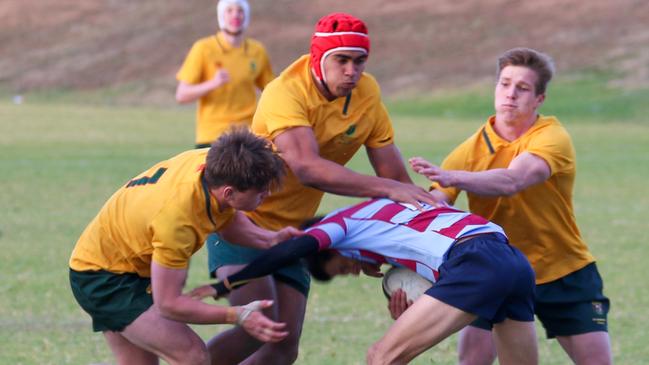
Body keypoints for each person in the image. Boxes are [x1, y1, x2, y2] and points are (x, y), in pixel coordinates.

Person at [206, 12, 437, 365]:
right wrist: (389, 190)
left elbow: (394, 176)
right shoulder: (285, 91)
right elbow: (307, 167)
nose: (352, 71)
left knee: (283, 347)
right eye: (341, 60)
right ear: (319, 58)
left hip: (294, 232)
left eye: (359, 61)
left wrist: (403, 247)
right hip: (242, 222)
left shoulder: (367, 93)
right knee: (254, 329)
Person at [410, 47, 612, 365]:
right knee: (472, 360)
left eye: (523, 88)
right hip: (499, 272)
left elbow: (513, 180)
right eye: (504, 84)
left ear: (539, 99)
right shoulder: (467, 152)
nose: (511, 94)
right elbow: (434, 206)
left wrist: (453, 177)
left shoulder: (552, 137)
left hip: (562, 269)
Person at [192, 198, 539, 365]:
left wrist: (225, 285)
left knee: (380, 358)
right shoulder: (391, 214)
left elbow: (293, 248)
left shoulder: (340, 224)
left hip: (474, 260)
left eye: (343, 267)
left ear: (332, 247)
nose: (354, 271)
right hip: (512, 261)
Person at [68, 128, 302, 365]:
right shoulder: (178, 219)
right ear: (229, 193)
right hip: (104, 278)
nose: (267, 194)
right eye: (261, 193)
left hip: (123, 261)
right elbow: (169, 304)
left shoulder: (218, 163)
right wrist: (237, 315)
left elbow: (226, 218)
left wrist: (270, 239)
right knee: (192, 355)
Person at [176, 0, 274, 148]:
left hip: (247, 135)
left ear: (246, 15)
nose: (235, 15)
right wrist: (212, 84)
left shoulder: (257, 51)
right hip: (212, 136)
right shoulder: (203, 48)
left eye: (240, 11)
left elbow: (271, 91)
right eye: (229, 10)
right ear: (221, 15)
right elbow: (182, 95)